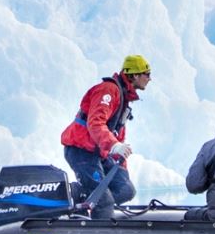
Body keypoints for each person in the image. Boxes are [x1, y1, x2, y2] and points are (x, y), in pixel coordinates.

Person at [59, 55, 150, 218]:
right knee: (104, 202)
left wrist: (121, 167)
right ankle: (84, 199)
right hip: (81, 150)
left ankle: (87, 201)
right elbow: (95, 123)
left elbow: (118, 138)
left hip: (98, 154)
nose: (150, 79)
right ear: (135, 75)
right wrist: (114, 146)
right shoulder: (109, 90)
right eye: (147, 74)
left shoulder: (123, 99)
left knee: (126, 190)